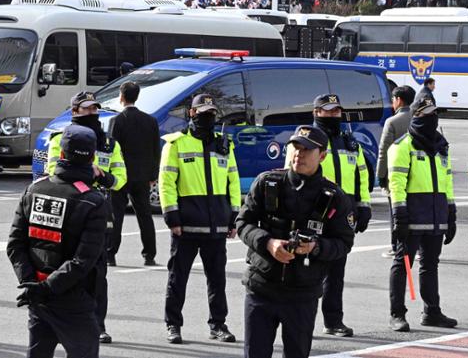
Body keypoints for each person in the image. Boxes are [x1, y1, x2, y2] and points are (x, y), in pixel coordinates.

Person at [237, 125, 355, 358]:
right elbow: (243, 224)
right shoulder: (267, 182)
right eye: (295, 147)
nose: (298, 154)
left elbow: (344, 243)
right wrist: (268, 243)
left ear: (322, 155)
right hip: (262, 288)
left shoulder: (334, 197)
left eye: (306, 150)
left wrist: (315, 247)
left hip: (302, 295)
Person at [7, 125, 108, 358]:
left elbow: (15, 244)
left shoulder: (34, 189)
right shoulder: (93, 201)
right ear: (92, 157)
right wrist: (45, 288)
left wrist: (31, 284)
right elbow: (84, 261)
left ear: (61, 154)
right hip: (72, 298)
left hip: (37, 295)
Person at [46, 91, 126, 344]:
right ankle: (56, 320)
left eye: (95, 109)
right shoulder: (59, 140)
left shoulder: (110, 144)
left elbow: (120, 180)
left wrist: (102, 176)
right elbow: (50, 173)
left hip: (97, 213)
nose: (93, 114)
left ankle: (97, 324)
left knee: (97, 273)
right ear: (75, 112)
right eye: (87, 109)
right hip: (68, 213)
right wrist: (80, 172)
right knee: (60, 266)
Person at [159, 94, 240, 344]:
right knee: (177, 278)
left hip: (216, 226)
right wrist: (172, 218)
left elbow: (233, 181)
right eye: (203, 112)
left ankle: (218, 325)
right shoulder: (176, 144)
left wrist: (234, 216)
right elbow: (166, 182)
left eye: (212, 112)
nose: (209, 116)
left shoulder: (224, 145)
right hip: (186, 226)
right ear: (191, 113)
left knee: (217, 280)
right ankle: (173, 325)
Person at [387, 96, 457, 332]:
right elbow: (396, 183)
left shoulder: (441, 146)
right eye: (427, 114)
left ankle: (432, 312)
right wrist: (400, 215)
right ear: (416, 116)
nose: (432, 118)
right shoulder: (401, 146)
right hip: (412, 215)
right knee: (402, 264)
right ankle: (397, 314)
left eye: (434, 114)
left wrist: (451, 211)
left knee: (430, 265)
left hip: (436, 215)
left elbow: (447, 181)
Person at [311, 94, 371, 337]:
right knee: (308, 274)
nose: (333, 115)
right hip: (314, 214)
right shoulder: (307, 141)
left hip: (341, 217)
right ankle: (302, 319)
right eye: (328, 111)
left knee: (336, 274)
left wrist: (363, 205)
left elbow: (362, 175)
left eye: (337, 111)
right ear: (316, 112)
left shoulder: (349, 142)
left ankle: (333, 321)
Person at [109, 82, 160, 266]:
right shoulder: (151, 121)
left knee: (116, 214)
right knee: (145, 215)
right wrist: (153, 174)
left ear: (121, 97)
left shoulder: (117, 121)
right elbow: (156, 150)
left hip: (122, 175)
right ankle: (149, 254)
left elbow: (112, 150)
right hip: (144, 176)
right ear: (137, 97)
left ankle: (110, 253)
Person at [376, 85, 416, 258]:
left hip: (395, 174)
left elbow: (383, 151)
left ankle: (396, 246)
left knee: (396, 211)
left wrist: (381, 175)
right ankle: (415, 246)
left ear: (398, 100)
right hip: (416, 173)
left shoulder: (392, 122)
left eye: (393, 99)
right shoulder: (418, 118)